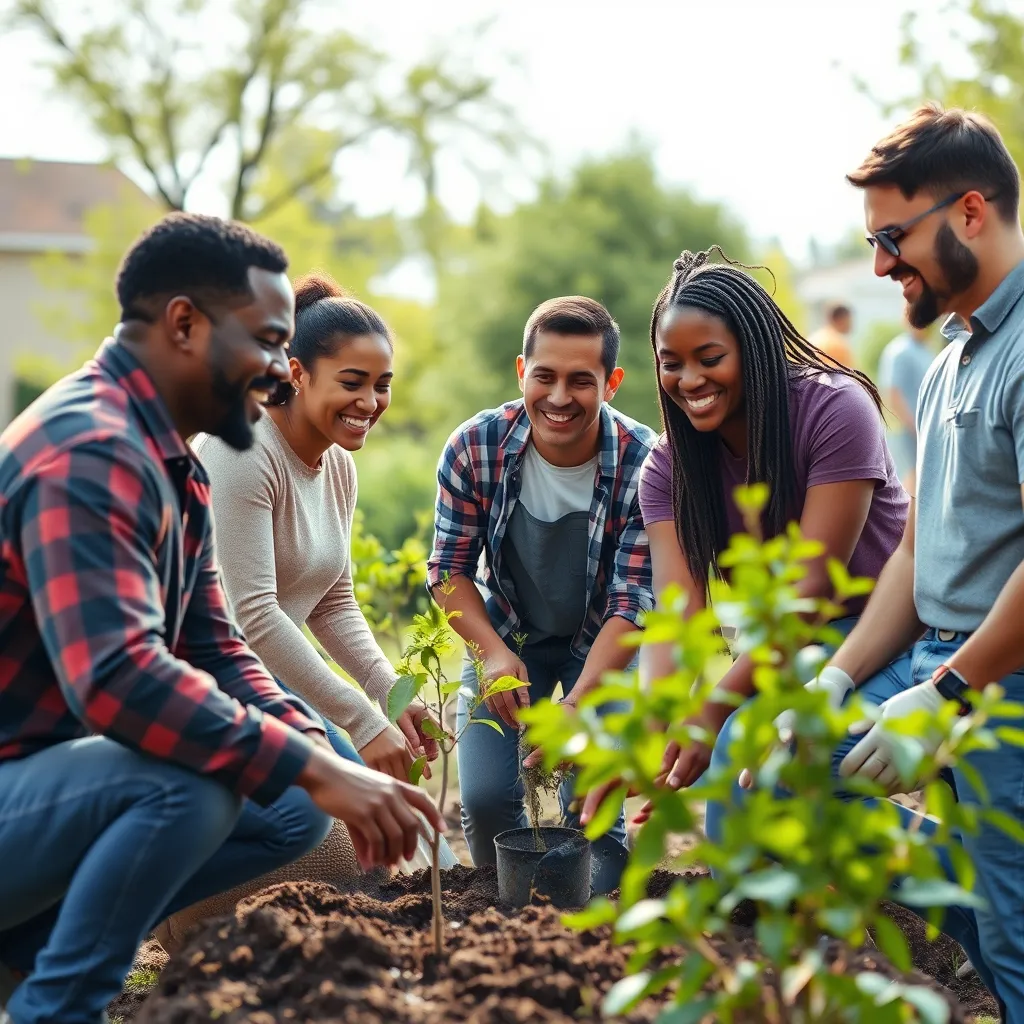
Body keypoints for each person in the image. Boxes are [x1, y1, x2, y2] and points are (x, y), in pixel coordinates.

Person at [0, 213, 444, 1024]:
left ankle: (29, 943)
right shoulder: (88, 449)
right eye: (272, 342)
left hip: (46, 786)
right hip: (18, 787)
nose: (283, 372)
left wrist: (316, 754)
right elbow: (116, 678)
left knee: (292, 803)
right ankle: (60, 1005)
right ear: (183, 324)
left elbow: (215, 640)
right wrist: (321, 761)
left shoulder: (170, 455)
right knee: (192, 783)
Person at [815, 103, 1024, 1018]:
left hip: (998, 681)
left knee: (1017, 941)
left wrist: (946, 696)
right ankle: (980, 900)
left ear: (969, 212)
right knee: (785, 756)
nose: (879, 265)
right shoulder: (948, 360)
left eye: (893, 237)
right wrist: (842, 672)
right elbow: (915, 545)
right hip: (929, 661)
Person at [582, 248, 908, 833]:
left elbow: (806, 599)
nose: (690, 380)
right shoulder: (670, 465)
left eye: (710, 358)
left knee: (753, 762)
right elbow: (677, 620)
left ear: (753, 351)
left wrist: (711, 713)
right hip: (783, 648)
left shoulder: (834, 411)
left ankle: (978, 895)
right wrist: (655, 731)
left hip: (888, 634)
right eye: (671, 363)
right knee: (739, 817)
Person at [427, 296, 656, 874]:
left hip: (599, 642)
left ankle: (599, 921)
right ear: (521, 371)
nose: (558, 398)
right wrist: (493, 653)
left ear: (612, 383)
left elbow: (631, 604)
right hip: (506, 637)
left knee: (593, 797)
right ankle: (511, 921)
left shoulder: (645, 463)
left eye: (581, 380)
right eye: (545, 376)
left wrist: (577, 708)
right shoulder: (473, 448)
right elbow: (448, 570)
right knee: (483, 800)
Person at [193, 272, 438, 780]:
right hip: (206, 688)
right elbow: (253, 615)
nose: (370, 403)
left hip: (269, 686)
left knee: (401, 831)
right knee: (362, 825)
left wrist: (390, 695)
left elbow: (333, 600)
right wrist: (361, 720)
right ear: (297, 373)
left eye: (381, 385)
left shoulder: (338, 464)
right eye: (351, 383)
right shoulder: (239, 451)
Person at [876, 313, 935, 491]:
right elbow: (892, 393)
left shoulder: (925, 350)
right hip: (907, 430)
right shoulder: (899, 351)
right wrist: (914, 426)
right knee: (910, 481)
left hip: (925, 429)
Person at [809, 301, 857, 368]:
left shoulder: (814, 338)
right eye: (849, 320)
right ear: (841, 319)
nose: (851, 325)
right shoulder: (838, 343)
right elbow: (847, 375)